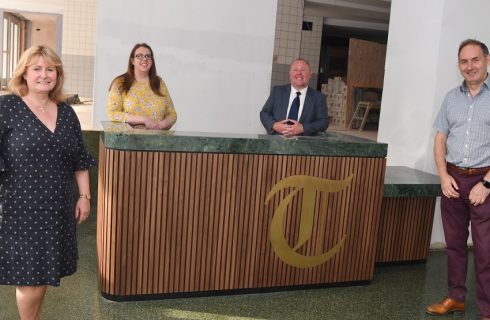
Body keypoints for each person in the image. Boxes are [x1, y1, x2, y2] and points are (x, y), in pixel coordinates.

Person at [0, 45, 96, 320]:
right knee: (30, 278)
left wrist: (84, 197)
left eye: (50, 69)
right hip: (20, 208)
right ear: (24, 74)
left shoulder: (67, 113)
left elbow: (79, 158)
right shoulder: (7, 107)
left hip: (57, 207)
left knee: (41, 277)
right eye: (37, 68)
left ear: (58, 74)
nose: (44, 74)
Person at [426, 39, 490, 320]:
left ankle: (487, 310)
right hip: (452, 179)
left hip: (484, 182)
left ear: (487, 60)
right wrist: (443, 176)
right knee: (454, 245)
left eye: (475, 60)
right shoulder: (451, 97)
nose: (469, 66)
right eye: (464, 61)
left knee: (486, 250)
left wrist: (487, 184)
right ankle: (456, 298)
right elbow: (440, 138)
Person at [107, 43, 177, 130]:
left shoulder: (159, 83)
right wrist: (143, 120)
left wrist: (162, 124)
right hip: (130, 141)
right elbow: (112, 114)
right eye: (139, 56)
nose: (144, 59)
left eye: (148, 56)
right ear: (132, 60)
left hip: (158, 141)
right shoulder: (120, 83)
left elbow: (172, 114)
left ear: (152, 61)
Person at [260, 58, 328, 137]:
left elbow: (324, 122)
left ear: (310, 74)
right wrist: (274, 125)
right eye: (295, 70)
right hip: (277, 143)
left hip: (303, 145)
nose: (299, 73)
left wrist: (303, 128)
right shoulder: (277, 92)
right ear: (290, 73)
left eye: (303, 70)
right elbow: (264, 113)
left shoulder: (319, 98)